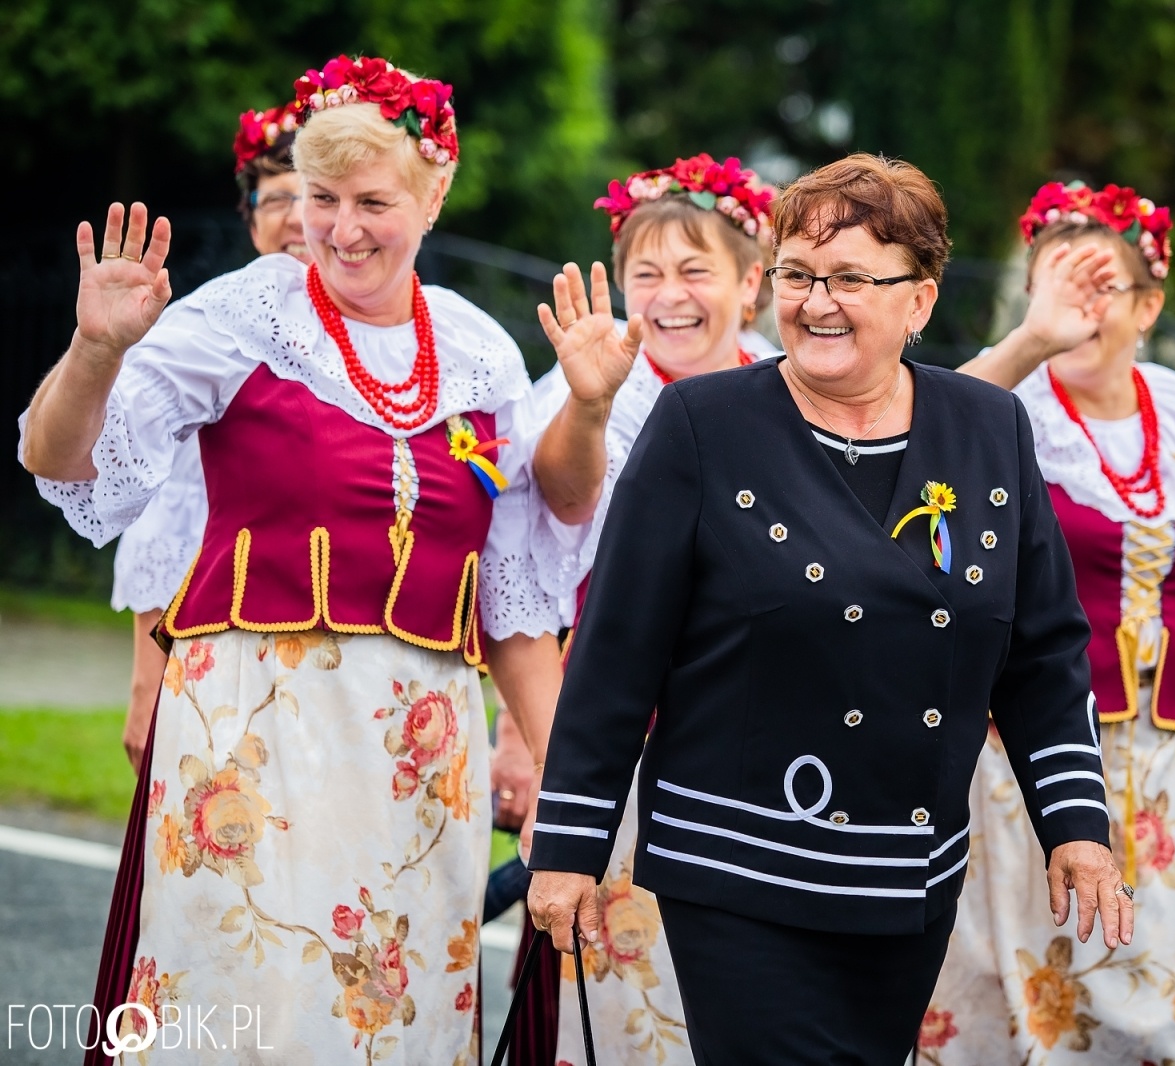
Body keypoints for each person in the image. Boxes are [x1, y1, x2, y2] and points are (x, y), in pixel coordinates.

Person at [523, 152, 1130, 1066]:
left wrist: (1076, 830)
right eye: (798, 276)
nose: (815, 303)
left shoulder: (989, 430)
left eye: (850, 278)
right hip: (737, 866)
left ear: (919, 301)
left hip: (907, 874)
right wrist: (569, 844)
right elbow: (616, 651)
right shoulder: (701, 425)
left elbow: (1043, 654)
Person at [19, 55, 560, 1063]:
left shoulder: (483, 354)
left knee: (395, 1017)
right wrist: (96, 351)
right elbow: (67, 463)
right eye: (319, 198)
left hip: (421, 755)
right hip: (251, 732)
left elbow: (517, 601)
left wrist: (562, 778)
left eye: (371, 201)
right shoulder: (241, 316)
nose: (341, 228)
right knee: (246, 1003)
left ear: (434, 193)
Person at [946, 182, 1175, 1064]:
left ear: (1150, 303)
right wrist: (1031, 339)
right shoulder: (1007, 401)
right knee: (1025, 1009)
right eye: (1055, 286)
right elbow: (927, 436)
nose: (1075, 309)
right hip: (1026, 761)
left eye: (1098, 287)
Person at [497, 153, 776, 1066]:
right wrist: (587, 405)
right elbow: (557, 510)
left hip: (769, 736)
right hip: (631, 733)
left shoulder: (790, 388)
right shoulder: (597, 385)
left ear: (751, 279)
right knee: (619, 998)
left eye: (696, 270)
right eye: (645, 274)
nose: (669, 295)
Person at [112, 102, 310, 768]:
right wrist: (146, 682)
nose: (299, 217)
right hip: (215, 632)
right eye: (278, 197)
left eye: (315, 195)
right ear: (250, 215)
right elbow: (161, 517)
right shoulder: (220, 329)